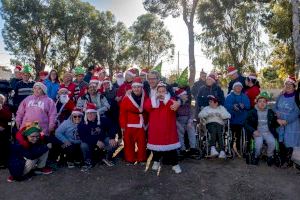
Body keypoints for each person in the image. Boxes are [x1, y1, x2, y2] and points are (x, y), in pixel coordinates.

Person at [144, 81, 182, 174]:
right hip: (155, 129)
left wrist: (166, 99)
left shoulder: (171, 100)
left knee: (171, 149)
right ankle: (156, 161)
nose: (161, 93)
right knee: (156, 148)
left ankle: (175, 164)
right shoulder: (152, 100)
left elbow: (172, 108)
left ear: (167, 92)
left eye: (163, 91)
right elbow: (147, 107)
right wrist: (154, 98)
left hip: (168, 128)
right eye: (159, 91)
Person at [78, 103, 117, 171]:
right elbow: (83, 137)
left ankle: (106, 157)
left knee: (113, 143)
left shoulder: (102, 119)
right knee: (83, 145)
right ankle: (88, 161)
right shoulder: (82, 123)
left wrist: (112, 137)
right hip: (90, 141)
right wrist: (96, 141)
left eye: (92, 113)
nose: (90, 115)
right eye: (88, 113)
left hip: (102, 139)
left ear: (96, 113)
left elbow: (112, 127)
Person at [244, 92, 278, 165]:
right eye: (260, 101)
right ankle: (256, 156)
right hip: (257, 132)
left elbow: (274, 123)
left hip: (267, 132)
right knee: (258, 143)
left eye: (264, 102)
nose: (262, 103)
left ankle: (269, 155)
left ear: (267, 103)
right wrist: (253, 131)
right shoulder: (252, 112)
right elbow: (246, 124)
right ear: (257, 102)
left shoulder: (270, 112)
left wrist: (278, 119)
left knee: (272, 142)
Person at [119, 77, 148, 164]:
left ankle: (141, 158)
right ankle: (130, 159)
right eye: (134, 87)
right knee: (128, 143)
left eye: (138, 87)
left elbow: (147, 110)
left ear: (141, 87)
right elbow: (122, 113)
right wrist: (123, 125)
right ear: (132, 88)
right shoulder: (126, 98)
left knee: (142, 143)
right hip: (129, 124)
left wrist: (147, 122)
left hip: (141, 124)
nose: (136, 89)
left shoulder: (145, 96)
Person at [274, 76, 300, 166]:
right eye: (286, 84)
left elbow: (297, 112)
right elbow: (275, 107)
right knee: (281, 140)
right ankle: (282, 159)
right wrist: (277, 118)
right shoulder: (280, 95)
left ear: (294, 86)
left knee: (290, 142)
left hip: (291, 124)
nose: (288, 86)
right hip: (280, 123)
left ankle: (289, 161)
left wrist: (287, 121)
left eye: (290, 84)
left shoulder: (297, 97)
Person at [225, 82, 250, 154]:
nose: (239, 87)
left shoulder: (245, 96)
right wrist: (233, 106)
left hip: (243, 118)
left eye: (240, 86)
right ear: (233, 88)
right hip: (232, 118)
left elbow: (248, 106)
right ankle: (232, 146)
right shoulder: (229, 96)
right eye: (237, 86)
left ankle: (239, 147)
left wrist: (244, 106)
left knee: (243, 129)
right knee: (234, 130)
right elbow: (226, 106)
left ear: (242, 88)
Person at [174, 87, 198, 158]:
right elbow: (174, 116)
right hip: (179, 121)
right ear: (180, 96)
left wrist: (190, 121)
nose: (187, 96)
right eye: (185, 95)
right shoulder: (177, 105)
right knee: (179, 132)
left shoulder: (188, 105)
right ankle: (182, 149)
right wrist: (178, 124)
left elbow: (191, 113)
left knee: (191, 128)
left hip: (188, 120)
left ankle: (192, 148)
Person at [0, 94, 12, 168]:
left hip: (4, 128)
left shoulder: (6, 107)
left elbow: (9, 118)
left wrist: (1, 109)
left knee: (3, 141)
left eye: (1, 99)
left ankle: (3, 162)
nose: (0, 101)